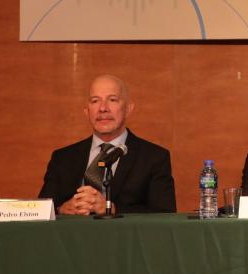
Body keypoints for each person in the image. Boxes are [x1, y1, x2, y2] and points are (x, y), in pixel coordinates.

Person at [39, 74, 176, 215]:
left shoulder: (154, 157)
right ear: (87, 111)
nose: (103, 108)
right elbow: (40, 212)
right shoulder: (62, 158)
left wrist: (111, 209)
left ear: (128, 109)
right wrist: (61, 210)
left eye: (112, 100)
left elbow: (165, 215)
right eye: (95, 101)